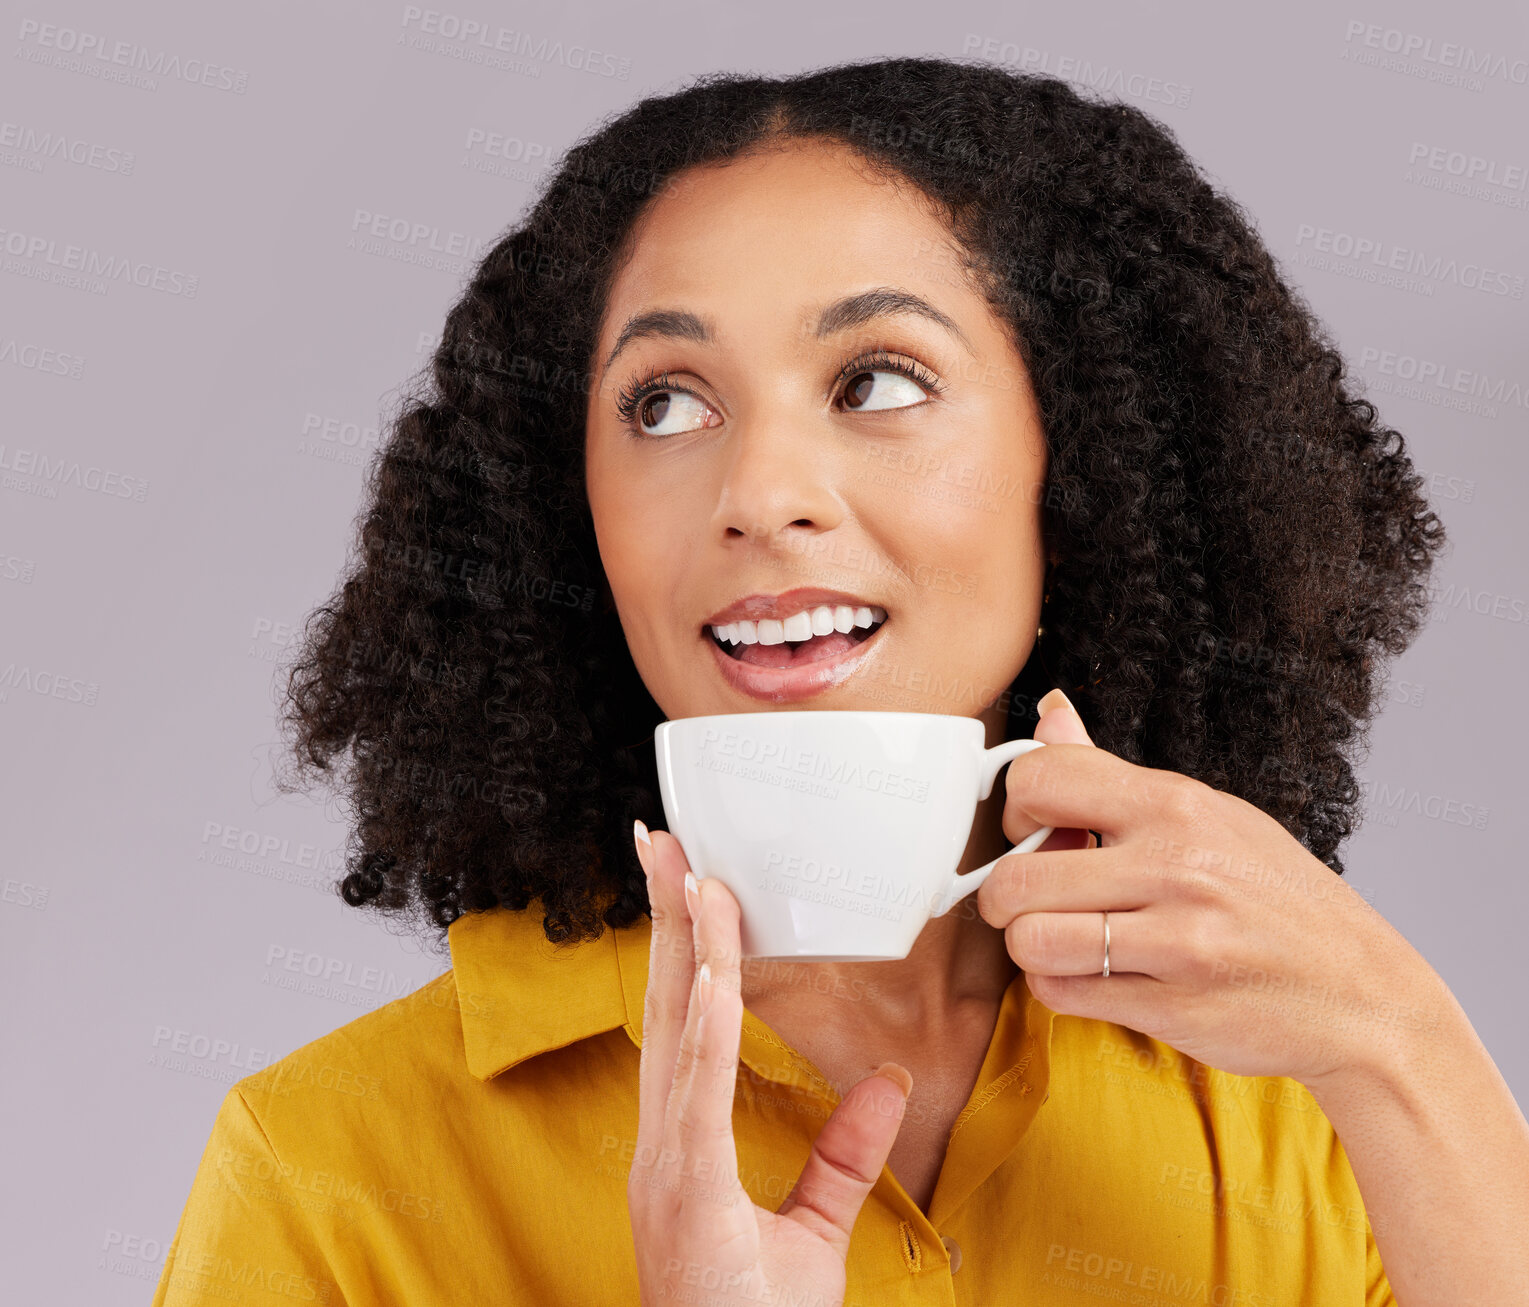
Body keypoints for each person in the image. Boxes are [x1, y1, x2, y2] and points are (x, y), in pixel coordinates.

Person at [151, 56, 1529, 1306]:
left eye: (874, 381)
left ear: (1092, 458)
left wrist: (1403, 1046)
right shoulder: (324, 1170)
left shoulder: (1307, 1103)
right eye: (665, 404)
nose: (757, 495)